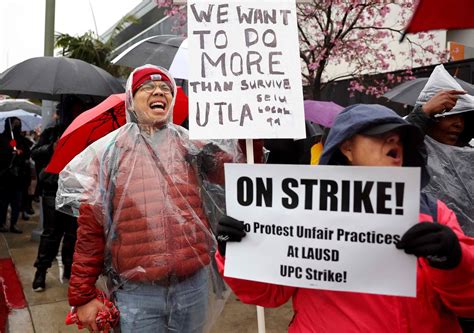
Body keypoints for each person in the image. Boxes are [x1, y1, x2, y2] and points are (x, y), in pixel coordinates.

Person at [215, 104, 474, 332]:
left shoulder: (433, 213)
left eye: (400, 137)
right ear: (347, 147)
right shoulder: (300, 213)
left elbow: (468, 302)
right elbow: (268, 293)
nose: (394, 140)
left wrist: (453, 259)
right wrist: (236, 253)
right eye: (379, 134)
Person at [56, 65, 245, 332]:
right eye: (148, 87)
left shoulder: (190, 144)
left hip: (194, 285)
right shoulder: (110, 153)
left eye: (166, 88)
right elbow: (91, 229)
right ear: (132, 98)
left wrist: (252, 132)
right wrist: (82, 295)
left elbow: (237, 172)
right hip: (137, 294)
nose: (159, 91)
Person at [31, 96, 87, 292]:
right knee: (51, 234)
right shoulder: (52, 132)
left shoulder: (85, 133)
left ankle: (69, 270)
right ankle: (41, 272)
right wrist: (51, 148)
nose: (76, 113)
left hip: (75, 189)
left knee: (72, 234)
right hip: (53, 189)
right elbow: (35, 153)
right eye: (74, 109)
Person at [0, 117, 31, 233]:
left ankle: (14, 223)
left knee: (16, 202)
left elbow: (27, 153)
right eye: (14, 124)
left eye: (18, 124)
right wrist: (9, 152)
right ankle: (2, 223)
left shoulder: (21, 140)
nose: (16, 127)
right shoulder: (2, 138)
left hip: (18, 177)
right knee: (3, 202)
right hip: (4, 177)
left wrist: (20, 152)